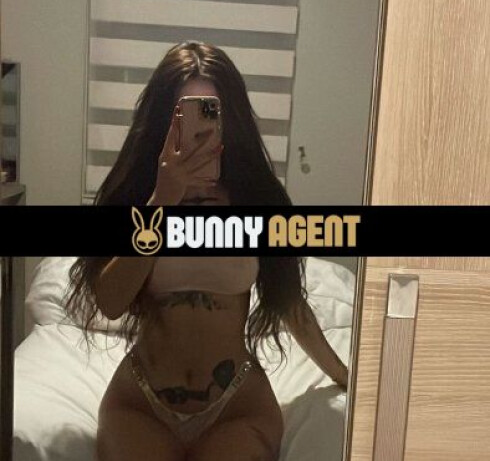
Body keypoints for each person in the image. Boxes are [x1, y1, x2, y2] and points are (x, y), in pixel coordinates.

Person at [66, 41, 348, 461]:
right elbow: (110, 301)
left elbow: (289, 301)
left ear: (230, 118)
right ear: (163, 121)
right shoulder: (139, 196)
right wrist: (162, 199)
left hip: (236, 405)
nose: (198, 131)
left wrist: (347, 377)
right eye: (183, 116)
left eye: (210, 113)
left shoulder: (255, 197)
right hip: (141, 403)